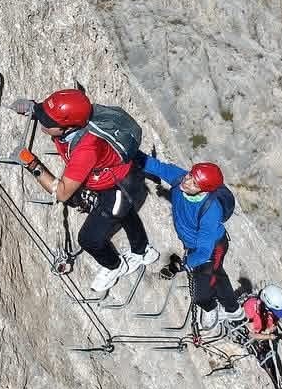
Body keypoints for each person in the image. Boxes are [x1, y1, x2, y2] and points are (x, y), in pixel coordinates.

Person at [13, 89, 156, 294]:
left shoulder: (86, 149)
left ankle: (115, 266)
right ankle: (143, 251)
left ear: (68, 127)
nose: (44, 122)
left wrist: (32, 163)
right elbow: (54, 115)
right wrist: (35, 108)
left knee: (90, 239)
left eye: (48, 121)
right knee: (125, 213)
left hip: (117, 188)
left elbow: (62, 193)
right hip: (121, 176)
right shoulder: (74, 120)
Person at [142, 155, 239, 330]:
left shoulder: (211, 211)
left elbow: (203, 252)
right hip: (193, 244)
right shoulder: (181, 178)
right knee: (217, 274)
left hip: (211, 248)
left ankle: (213, 308)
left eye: (194, 183)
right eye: (190, 176)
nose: (187, 182)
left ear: (204, 190)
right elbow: (156, 166)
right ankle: (233, 309)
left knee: (202, 294)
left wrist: (183, 265)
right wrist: (128, 153)